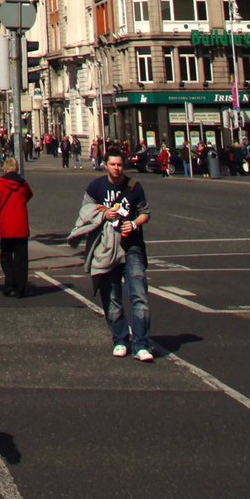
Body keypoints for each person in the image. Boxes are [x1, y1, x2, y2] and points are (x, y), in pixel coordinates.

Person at [74, 147, 152, 361]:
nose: (117, 168)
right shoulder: (96, 187)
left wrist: (134, 225)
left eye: (120, 165)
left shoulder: (134, 187)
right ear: (105, 165)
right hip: (106, 247)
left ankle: (141, 343)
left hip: (132, 246)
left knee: (139, 295)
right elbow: (85, 213)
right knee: (111, 296)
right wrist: (104, 213)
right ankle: (120, 339)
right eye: (113, 165)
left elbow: (145, 213)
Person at [0, 157, 34, 298]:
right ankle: (20, 288)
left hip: (6, 225)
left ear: (5, 169)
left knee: (6, 256)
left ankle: (9, 282)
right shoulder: (23, 184)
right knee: (21, 258)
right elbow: (29, 195)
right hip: (21, 225)